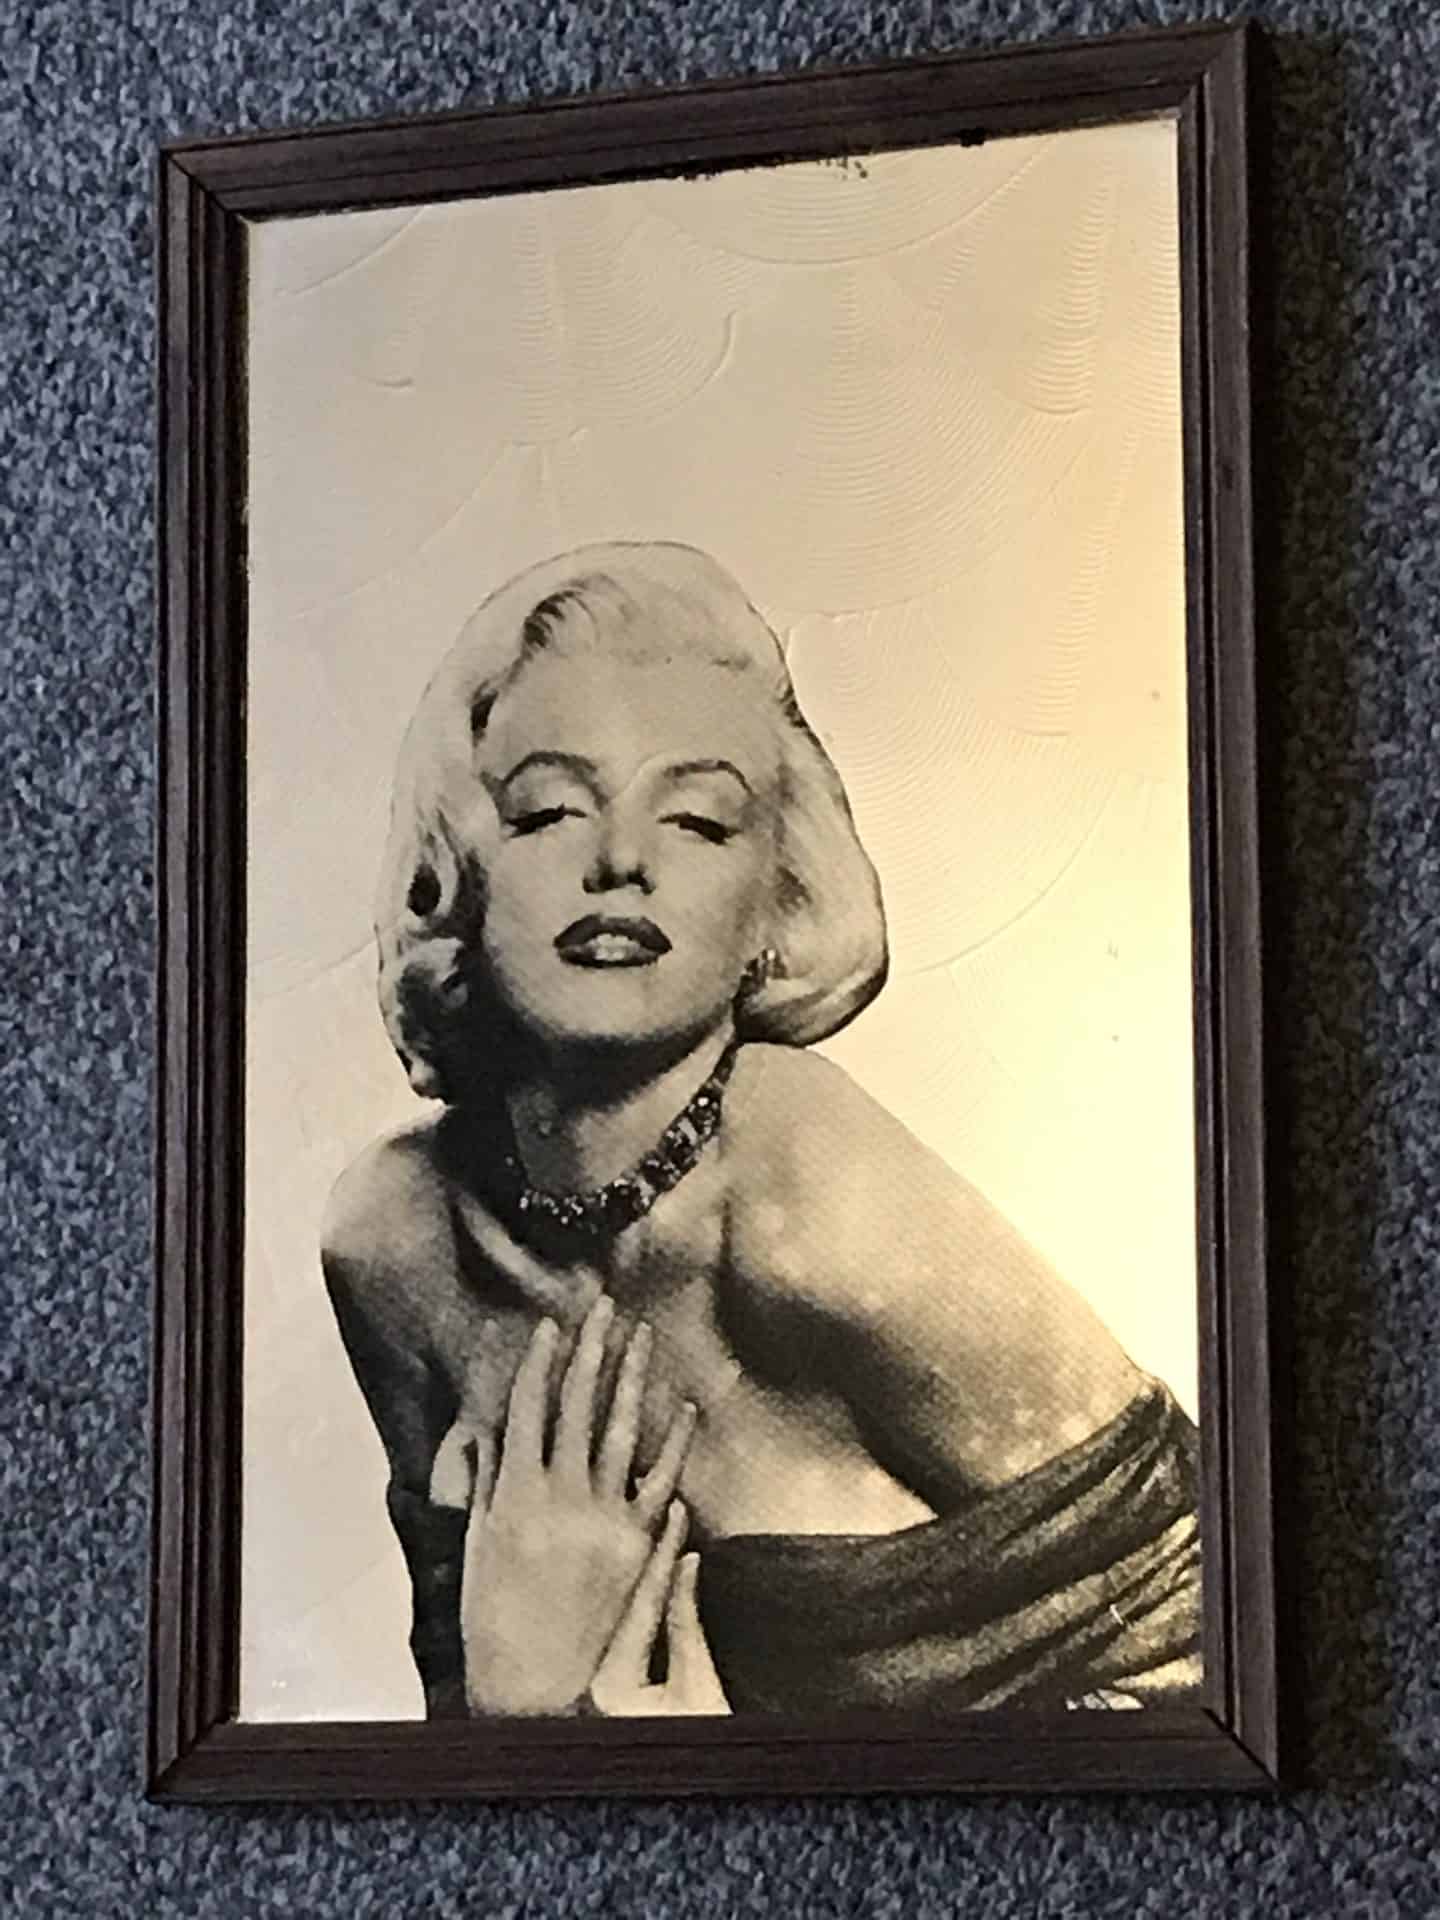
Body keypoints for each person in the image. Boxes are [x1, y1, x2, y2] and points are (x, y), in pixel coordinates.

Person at [321, 540, 1201, 1719]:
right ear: (458, 876)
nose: (620, 861)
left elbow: (1231, 1657)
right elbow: (461, 1732)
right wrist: (523, 1708)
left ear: (776, 908)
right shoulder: (396, 1243)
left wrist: (723, 1770)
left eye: (697, 820)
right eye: (548, 812)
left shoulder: (822, 1209)